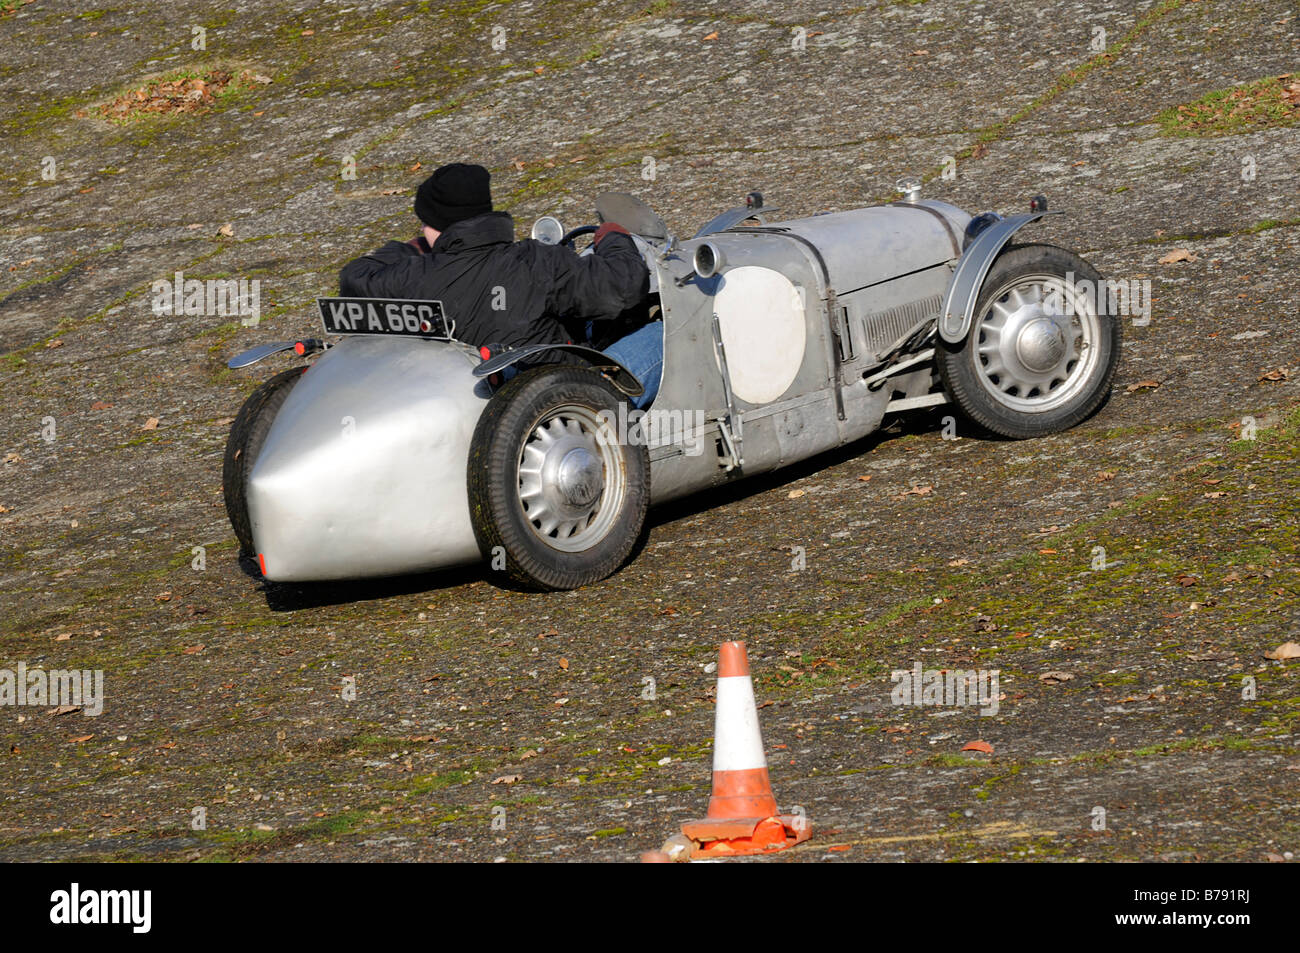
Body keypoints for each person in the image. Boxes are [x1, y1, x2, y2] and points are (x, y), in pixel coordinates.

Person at [339, 162, 662, 407]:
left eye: (424, 222)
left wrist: (410, 250)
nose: (421, 228)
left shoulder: (413, 277)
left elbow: (354, 277)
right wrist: (614, 238)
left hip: (483, 403)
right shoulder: (535, 262)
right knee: (665, 333)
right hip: (564, 397)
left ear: (437, 227)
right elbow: (623, 289)